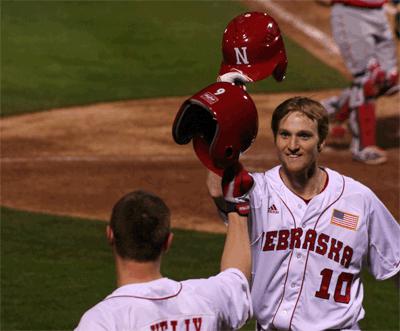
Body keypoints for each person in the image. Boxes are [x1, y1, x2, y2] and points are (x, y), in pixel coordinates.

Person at [207, 96, 400, 330]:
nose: (292, 145)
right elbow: (218, 187)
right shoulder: (257, 192)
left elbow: (396, 261)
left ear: (321, 142)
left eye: (304, 136)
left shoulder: (358, 199)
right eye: (284, 134)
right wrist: (227, 103)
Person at [74, 190, 252, 330]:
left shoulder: (103, 321)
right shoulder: (207, 299)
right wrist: (237, 211)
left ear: (110, 236)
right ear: (168, 242)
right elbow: (237, 279)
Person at [317, 0, 399, 165]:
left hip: (379, 13)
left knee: (389, 79)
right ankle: (363, 147)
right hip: (351, 14)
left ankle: (331, 111)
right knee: (368, 80)